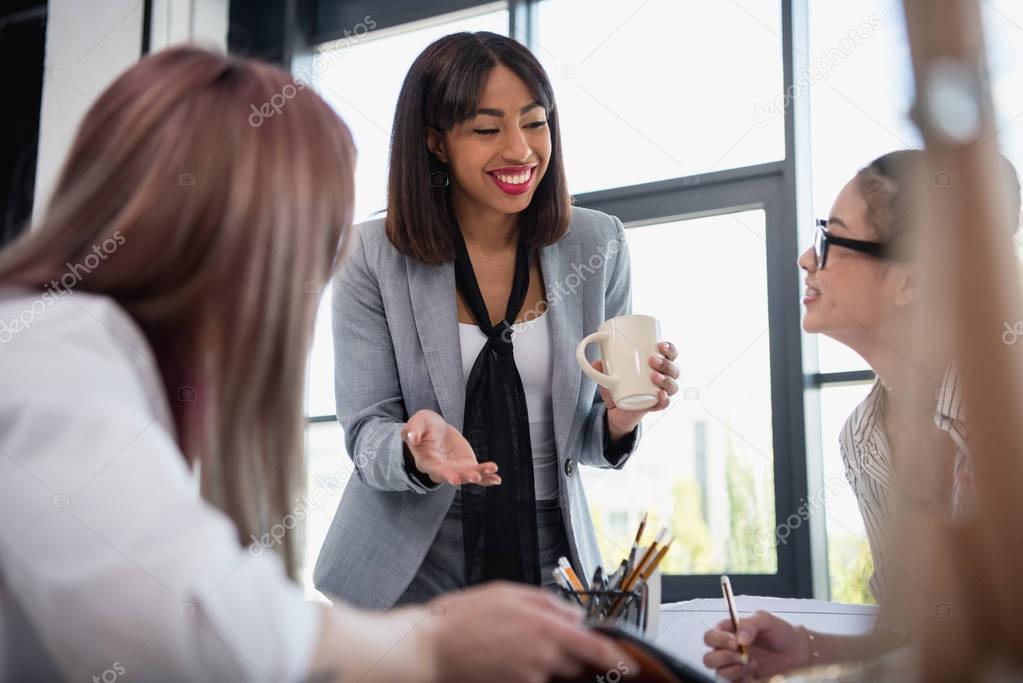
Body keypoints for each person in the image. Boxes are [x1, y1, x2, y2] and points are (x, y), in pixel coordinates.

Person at [0, 46, 634, 682]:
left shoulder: (77, 349)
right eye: (302, 244)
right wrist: (426, 647)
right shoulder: (50, 357)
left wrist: (619, 418)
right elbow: (182, 627)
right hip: (409, 569)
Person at [312, 30, 681, 608]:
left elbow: (582, 440)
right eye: (487, 129)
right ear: (436, 144)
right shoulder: (369, 256)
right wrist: (415, 449)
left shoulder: (597, 242)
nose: (520, 150)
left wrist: (620, 420)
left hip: (551, 549)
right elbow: (365, 435)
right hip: (414, 557)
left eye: (535, 123)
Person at [701, 149, 1021, 681]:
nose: (807, 257)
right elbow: (914, 628)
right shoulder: (863, 437)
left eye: (831, 238)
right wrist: (807, 648)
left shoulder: (1003, 412)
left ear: (910, 282)